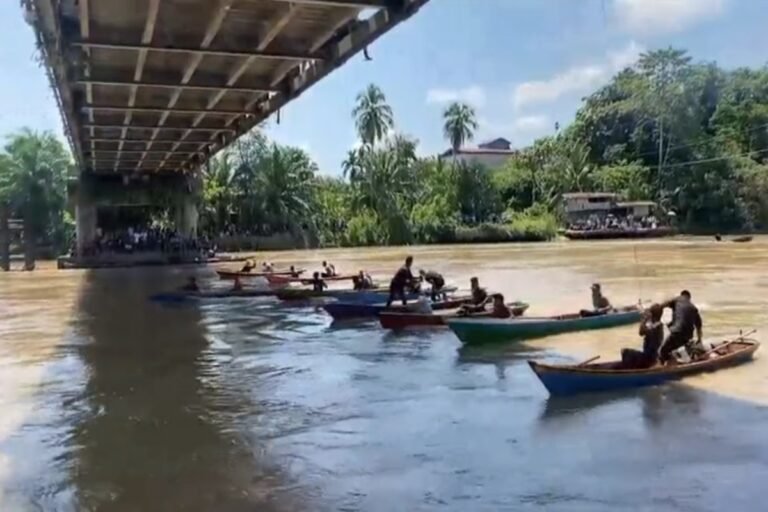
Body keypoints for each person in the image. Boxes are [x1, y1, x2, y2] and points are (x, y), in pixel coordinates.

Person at [659, 290, 703, 364]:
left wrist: (656, 314)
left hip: (677, 332)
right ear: (689, 298)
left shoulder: (678, 299)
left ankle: (664, 366)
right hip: (687, 336)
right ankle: (680, 360)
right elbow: (699, 327)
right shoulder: (694, 308)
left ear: (682, 295)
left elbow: (664, 304)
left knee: (663, 351)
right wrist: (699, 339)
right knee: (675, 347)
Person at [621, 303, 664, 368]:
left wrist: (644, 319)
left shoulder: (656, 326)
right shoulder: (658, 325)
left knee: (624, 351)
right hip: (650, 356)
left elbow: (641, 332)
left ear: (652, 314)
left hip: (649, 358)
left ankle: (630, 372)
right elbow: (642, 332)